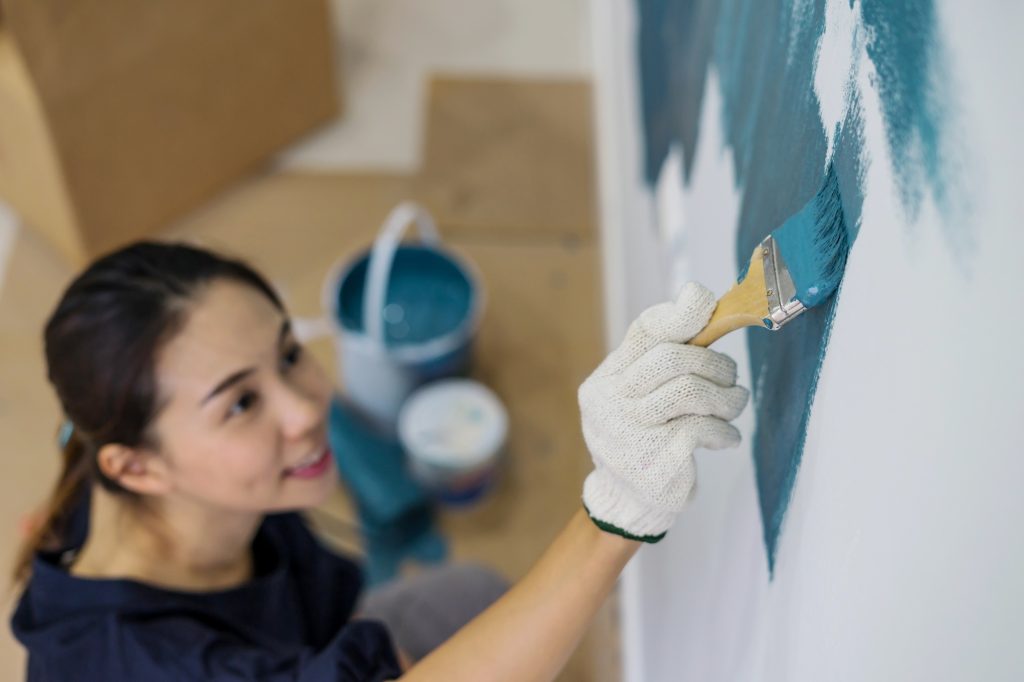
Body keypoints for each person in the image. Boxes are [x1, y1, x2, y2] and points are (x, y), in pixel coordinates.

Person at [9, 241, 748, 681]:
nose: (307, 408)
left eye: (289, 356)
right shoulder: (144, 664)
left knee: (475, 594)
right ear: (136, 467)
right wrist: (616, 515)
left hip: (299, 642)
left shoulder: (110, 474)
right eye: (239, 404)